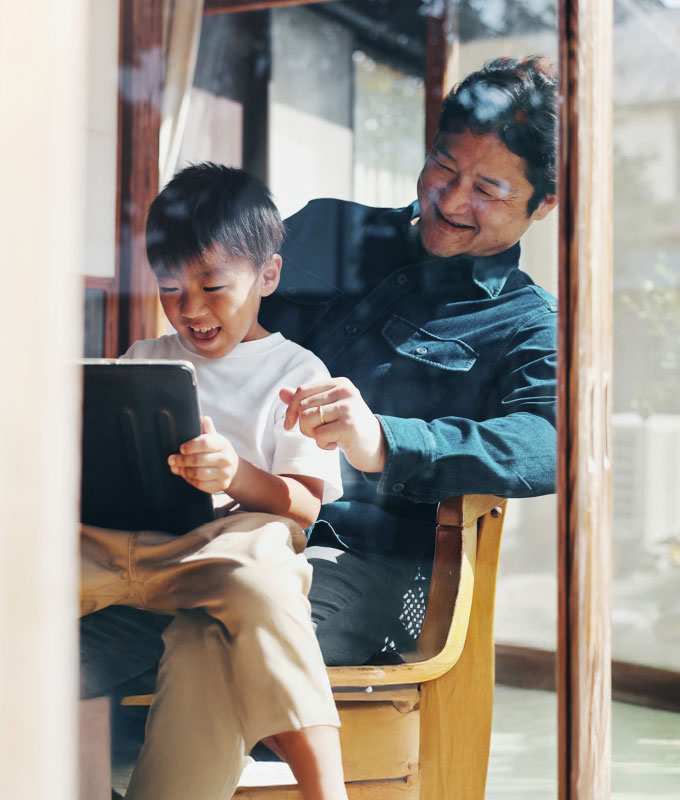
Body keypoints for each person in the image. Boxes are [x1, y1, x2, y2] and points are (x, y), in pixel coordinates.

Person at [260, 54, 559, 664]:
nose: (451, 200)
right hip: (220, 507)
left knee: (240, 644)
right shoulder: (325, 227)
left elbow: (551, 442)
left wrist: (385, 441)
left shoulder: (529, 324)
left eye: (488, 190)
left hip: (356, 559)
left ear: (545, 203)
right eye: (443, 166)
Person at [80, 164, 349, 800]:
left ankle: (326, 788)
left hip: (227, 550)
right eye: (170, 288)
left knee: (262, 565)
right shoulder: (142, 359)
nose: (191, 309)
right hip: (128, 546)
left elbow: (304, 507)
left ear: (268, 276)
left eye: (213, 286)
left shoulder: (297, 372)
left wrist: (236, 475)